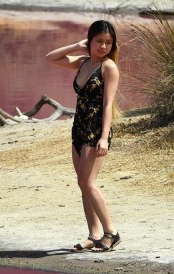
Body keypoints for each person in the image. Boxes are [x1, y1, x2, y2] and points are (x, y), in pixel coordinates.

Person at [45, 20, 121, 253]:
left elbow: (108, 104)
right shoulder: (82, 62)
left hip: (96, 130)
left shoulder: (109, 68)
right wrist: (76, 46)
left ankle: (112, 234)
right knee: (83, 185)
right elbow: (51, 58)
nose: (104, 47)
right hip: (78, 128)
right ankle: (94, 235)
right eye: (99, 42)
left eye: (108, 43)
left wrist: (104, 137)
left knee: (87, 182)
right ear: (90, 41)